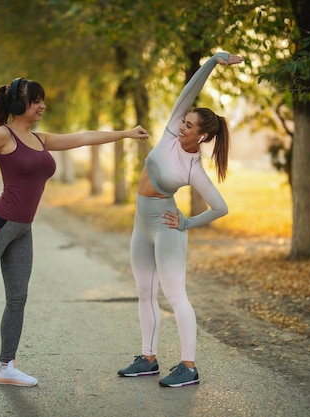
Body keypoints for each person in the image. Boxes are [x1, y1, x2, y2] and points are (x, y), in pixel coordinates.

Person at [0, 77, 148, 387]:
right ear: (19, 105)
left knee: (18, 299)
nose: (43, 105)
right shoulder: (1, 136)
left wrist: (126, 133)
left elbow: (83, 137)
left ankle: (6, 366)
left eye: (42, 100)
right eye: (36, 101)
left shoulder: (40, 139)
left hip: (23, 229)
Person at [117, 52, 243, 387]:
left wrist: (186, 223)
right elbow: (190, 89)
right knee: (145, 292)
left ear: (201, 136)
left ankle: (189, 366)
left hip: (166, 228)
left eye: (188, 125)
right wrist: (215, 61)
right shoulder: (173, 131)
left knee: (175, 296)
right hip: (141, 223)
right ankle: (148, 358)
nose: (180, 125)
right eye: (183, 121)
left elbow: (220, 207)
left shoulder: (193, 168)